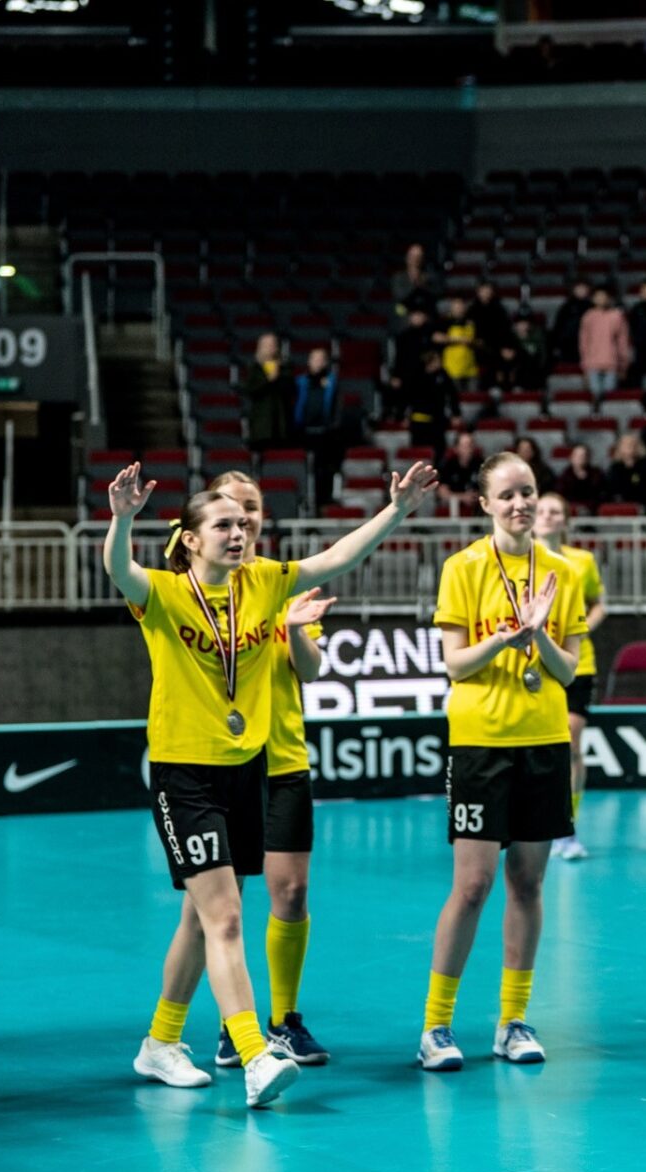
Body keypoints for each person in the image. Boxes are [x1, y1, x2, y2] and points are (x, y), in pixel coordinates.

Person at [107, 457, 437, 1108]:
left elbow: (337, 558)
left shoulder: (264, 582)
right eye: (223, 525)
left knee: (202, 919)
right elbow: (120, 569)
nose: (238, 533)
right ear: (191, 539)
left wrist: (396, 510)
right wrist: (121, 522)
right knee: (226, 916)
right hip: (185, 773)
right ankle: (255, 1054)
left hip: (247, 770)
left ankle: (161, 1042)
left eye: (243, 524)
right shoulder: (164, 595)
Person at [419, 452, 589, 1071]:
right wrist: (506, 637)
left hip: (543, 742)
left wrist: (538, 635)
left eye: (528, 492)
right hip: (481, 743)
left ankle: (512, 1020)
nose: (521, 504)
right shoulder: (463, 568)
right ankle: (436, 1026)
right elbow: (454, 664)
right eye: (508, 495)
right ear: (485, 504)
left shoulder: (563, 573)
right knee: (473, 886)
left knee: (528, 883)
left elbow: (567, 670)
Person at [197, 472, 338, 1071]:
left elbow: (309, 670)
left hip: (284, 758)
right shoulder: (199, 585)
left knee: (292, 891)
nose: (244, 520)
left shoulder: (284, 582)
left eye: (252, 508)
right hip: (226, 763)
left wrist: (298, 630)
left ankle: (285, 1020)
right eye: (232, 510)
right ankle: (236, 1028)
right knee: (222, 906)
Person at [533, 493, 606, 862]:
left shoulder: (582, 561)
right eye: (542, 510)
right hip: (533, 664)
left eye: (555, 512)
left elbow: (598, 604)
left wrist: (579, 629)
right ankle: (535, 821)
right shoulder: (519, 560)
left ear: (564, 520)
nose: (547, 516)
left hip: (578, 664)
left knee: (571, 744)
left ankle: (567, 825)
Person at [291, 347, 345, 510]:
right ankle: (307, 501)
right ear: (309, 362)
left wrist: (334, 427)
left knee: (326, 469)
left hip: (326, 434)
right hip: (304, 433)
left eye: (322, 359)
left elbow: (337, 408)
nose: (318, 362)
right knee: (307, 469)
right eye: (315, 359)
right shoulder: (300, 382)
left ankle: (324, 500)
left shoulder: (332, 382)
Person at [578, 285, 632, 401]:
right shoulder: (588, 316)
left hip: (612, 363)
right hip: (592, 363)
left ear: (609, 298)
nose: (601, 299)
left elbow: (623, 342)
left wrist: (623, 365)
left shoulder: (617, 316)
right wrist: (585, 366)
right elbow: (584, 343)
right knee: (595, 396)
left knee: (610, 397)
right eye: (598, 296)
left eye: (604, 296)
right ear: (594, 299)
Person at [241, 332, 289, 448]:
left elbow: (290, 391)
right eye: (267, 345)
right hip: (261, 425)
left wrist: (278, 377)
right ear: (260, 347)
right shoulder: (254, 369)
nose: (270, 348)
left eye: (273, 344)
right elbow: (250, 391)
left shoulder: (284, 369)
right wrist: (268, 380)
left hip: (280, 423)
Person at [602, 432, 646, 507]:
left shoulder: (645, 465)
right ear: (620, 448)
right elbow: (613, 489)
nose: (630, 447)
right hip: (622, 503)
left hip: (643, 502)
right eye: (626, 445)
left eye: (633, 445)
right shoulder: (615, 467)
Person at [436, 298, 480, 390]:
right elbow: (437, 337)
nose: (459, 309)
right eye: (456, 306)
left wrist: (472, 342)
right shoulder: (445, 321)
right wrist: (459, 339)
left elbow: (480, 342)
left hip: (470, 368)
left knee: (473, 396)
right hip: (452, 368)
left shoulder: (471, 322)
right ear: (451, 308)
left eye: (461, 306)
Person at [550, 280, 594, 367]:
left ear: (588, 290)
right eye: (578, 288)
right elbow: (558, 327)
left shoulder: (592, 307)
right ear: (573, 289)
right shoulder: (566, 307)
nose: (581, 290)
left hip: (589, 345)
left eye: (583, 288)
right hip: (569, 345)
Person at [553, 444, 604, 508]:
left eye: (583, 455)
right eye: (577, 455)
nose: (580, 458)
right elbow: (560, 496)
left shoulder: (597, 475)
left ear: (588, 457)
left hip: (593, 508)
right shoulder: (564, 476)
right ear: (571, 457)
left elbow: (602, 495)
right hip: (570, 508)